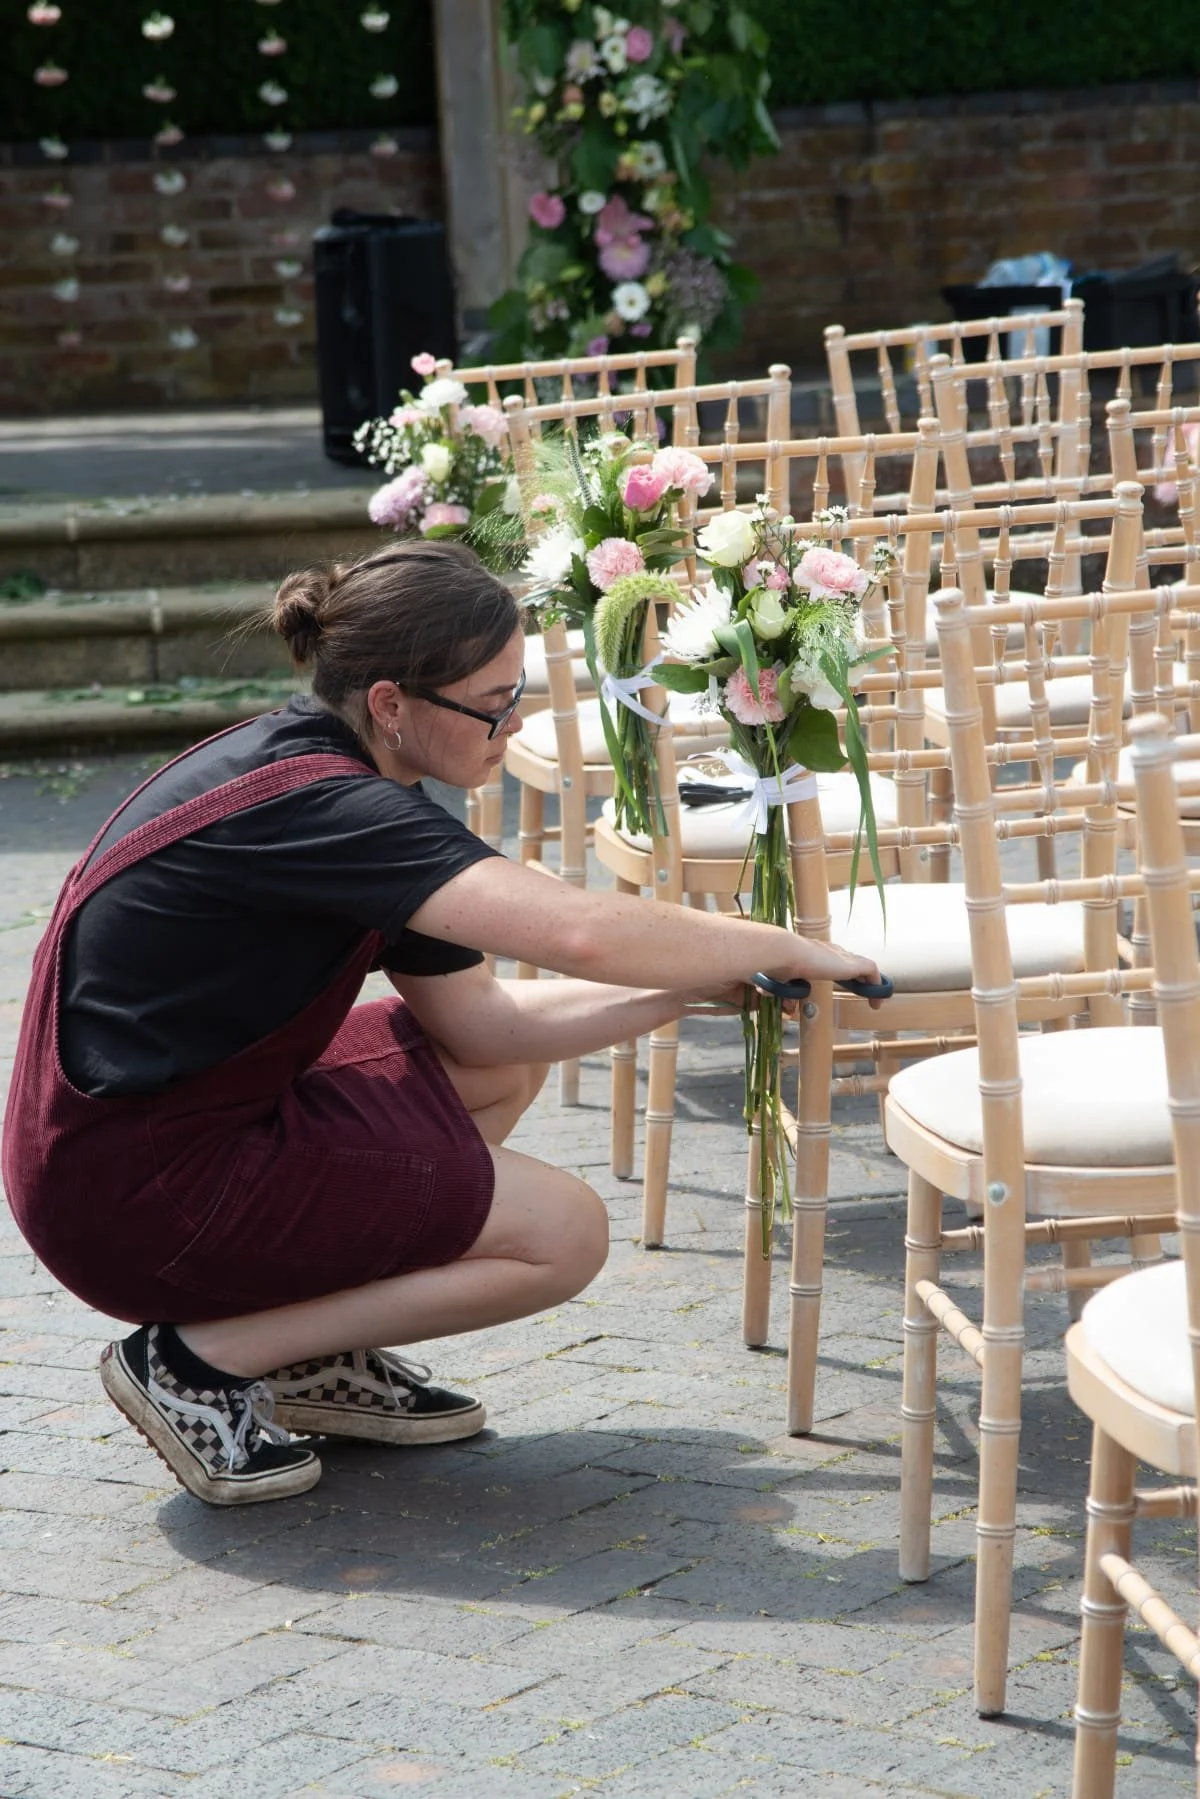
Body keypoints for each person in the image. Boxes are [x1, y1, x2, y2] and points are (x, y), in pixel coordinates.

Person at [0, 541, 882, 1507]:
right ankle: (199, 1359)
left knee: (490, 1075)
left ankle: (308, 1349)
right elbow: (582, 932)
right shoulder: (334, 809)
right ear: (391, 704)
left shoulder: (333, 774)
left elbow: (487, 1025)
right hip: (129, 1196)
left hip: (137, 1139)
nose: (514, 724)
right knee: (563, 1234)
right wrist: (779, 940)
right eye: (494, 701)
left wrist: (695, 989)